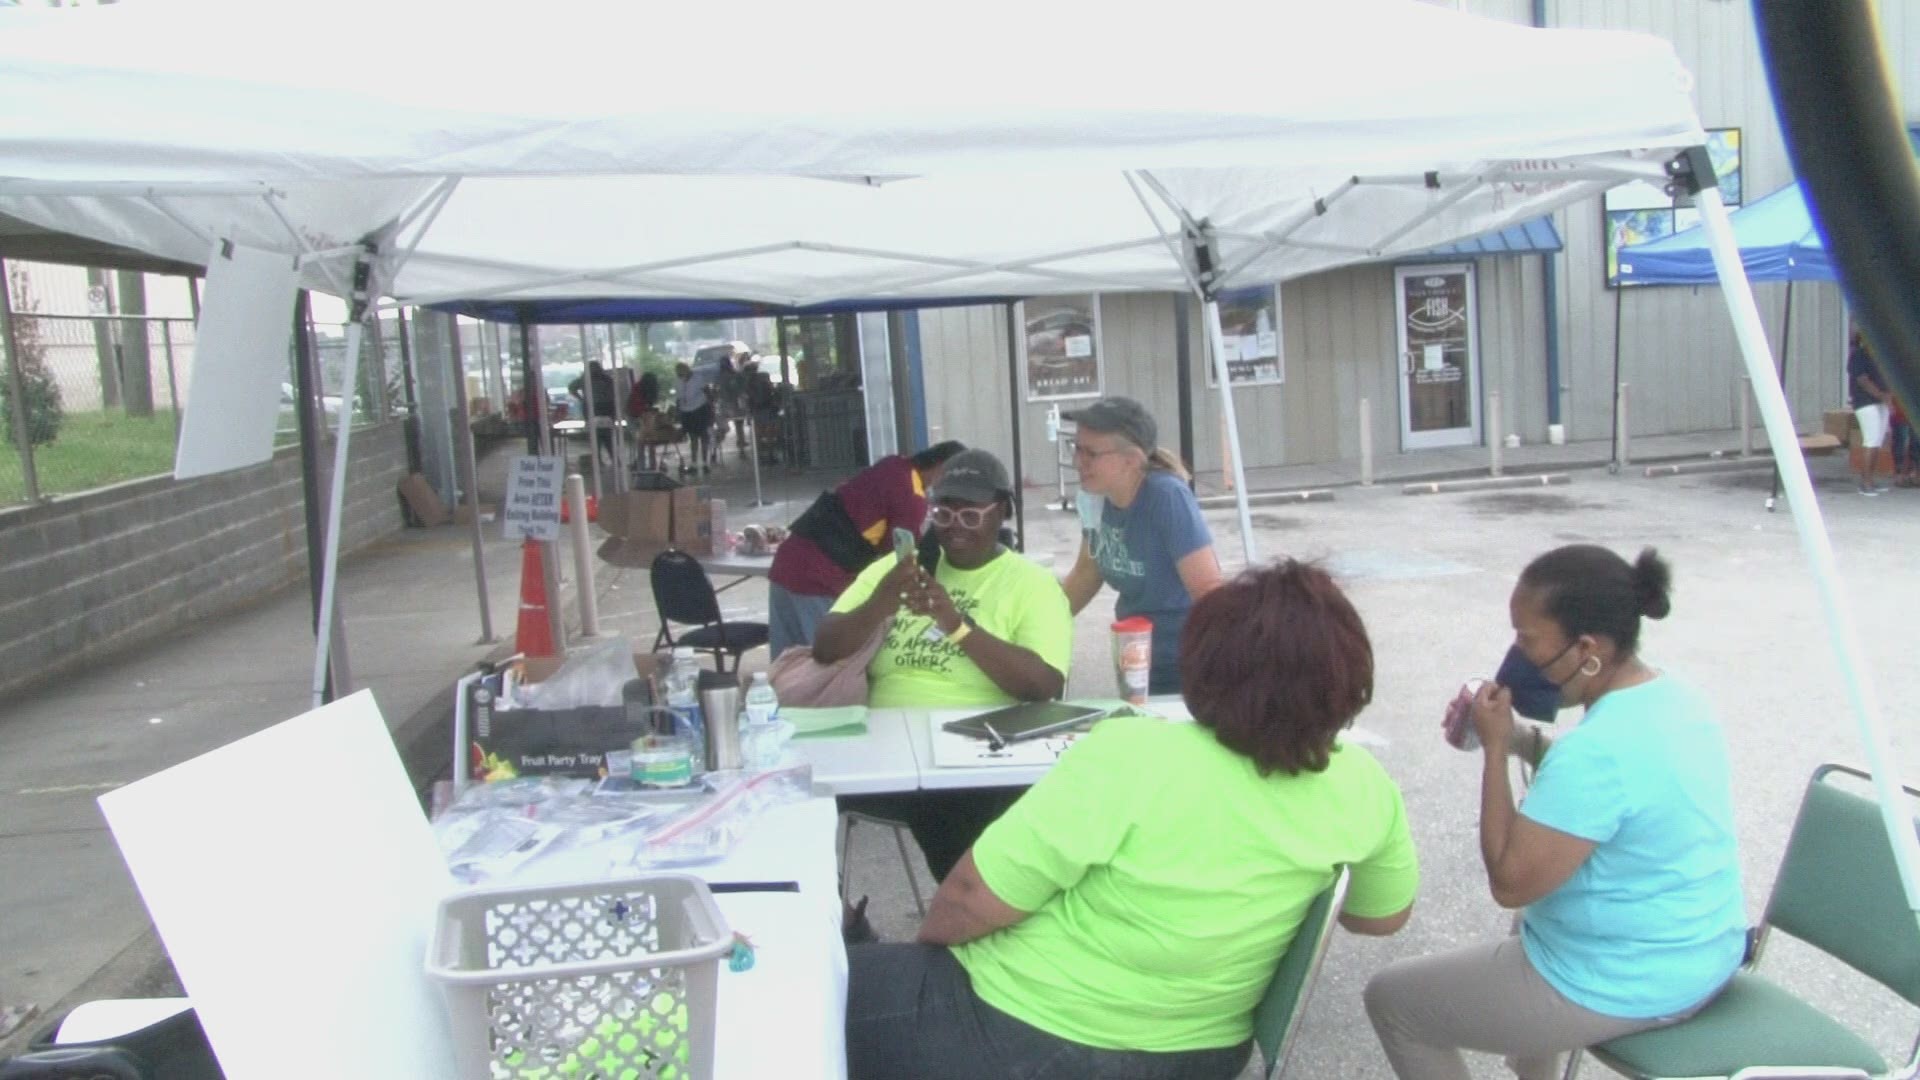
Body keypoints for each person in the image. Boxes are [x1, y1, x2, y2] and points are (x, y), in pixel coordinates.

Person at [844, 560, 1418, 1080]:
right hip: (1205, 1054)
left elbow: (969, 897)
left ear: (1209, 668)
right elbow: (1380, 917)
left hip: (1028, 1030)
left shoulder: (1133, 753)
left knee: (811, 987)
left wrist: (926, 965)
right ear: (1347, 683)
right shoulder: (1364, 785)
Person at [1365, 545, 1745, 1080]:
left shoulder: (1595, 752)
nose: (1517, 654)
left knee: (1395, 1002)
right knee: (1529, 924)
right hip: (1704, 951)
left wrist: (1496, 748)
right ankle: (1532, 1062)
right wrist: (1520, 737)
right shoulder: (1677, 699)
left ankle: (1531, 1049)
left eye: (1526, 639)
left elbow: (1510, 880)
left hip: (1633, 981)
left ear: (1586, 649)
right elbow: (1613, 791)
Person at [814, 449, 1074, 881]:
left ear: (1002, 511)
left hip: (973, 754)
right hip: (884, 751)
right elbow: (824, 647)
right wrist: (882, 601)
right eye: (943, 513)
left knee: (953, 811)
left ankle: (970, 915)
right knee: (794, 796)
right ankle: (835, 924)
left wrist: (956, 625)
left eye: (971, 515)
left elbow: (1043, 685)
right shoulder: (899, 568)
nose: (955, 527)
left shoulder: (1032, 584)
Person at [1059, 396, 1223, 695]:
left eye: (1090, 453)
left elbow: (1210, 592)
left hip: (1188, 662)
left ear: (1131, 460)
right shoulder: (1094, 498)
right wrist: (1035, 623)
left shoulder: (1166, 497)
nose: (1077, 461)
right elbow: (1087, 572)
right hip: (1136, 656)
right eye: (1076, 448)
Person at [767, 440, 966, 659]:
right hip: (818, 578)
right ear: (941, 467)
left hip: (788, 559)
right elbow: (899, 562)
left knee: (783, 664)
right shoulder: (912, 499)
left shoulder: (894, 464)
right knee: (822, 666)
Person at [1849, 329, 1893, 495]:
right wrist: (1882, 395)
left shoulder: (1880, 356)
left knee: (1877, 440)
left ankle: (1869, 479)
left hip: (1880, 401)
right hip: (1865, 402)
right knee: (1871, 440)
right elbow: (1863, 381)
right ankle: (1865, 483)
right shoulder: (1858, 355)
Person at [566, 361, 616, 465]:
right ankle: (614, 459)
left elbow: (571, 387)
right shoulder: (607, 379)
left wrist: (581, 398)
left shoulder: (584, 380)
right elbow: (613, 395)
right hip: (607, 409)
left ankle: (598, 460)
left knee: (595, 437)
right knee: (608, 437)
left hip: (591, 409)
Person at [674, 360, 716, 478]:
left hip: (700, 409)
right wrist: (678, 412)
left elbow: (707, 392)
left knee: (703, 436)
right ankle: (693, 463)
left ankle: (705, 462)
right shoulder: (678, 381)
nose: (681, 376)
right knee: (693, 438)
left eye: (682, 374)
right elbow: (678, 398)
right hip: (686, 411)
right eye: (679, 374)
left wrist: (711, 408)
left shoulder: (698, 379)